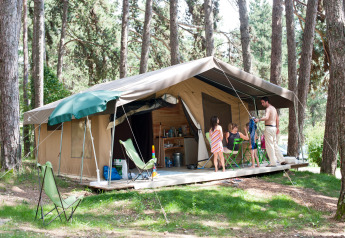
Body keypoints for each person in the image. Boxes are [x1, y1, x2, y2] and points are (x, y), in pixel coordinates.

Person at [254, 97, 286, 167]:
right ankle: (282, 160)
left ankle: (272, 162)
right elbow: (277, 119)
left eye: (263, 102)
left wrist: (258, 119)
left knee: (269, 146)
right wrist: (277, 128)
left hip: (269, 128)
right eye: (261, 103)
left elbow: (266, 117)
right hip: (274, 128)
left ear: (267, 102)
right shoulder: (274, 108)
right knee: (274, 145)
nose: (262, 104)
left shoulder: (268, 109)